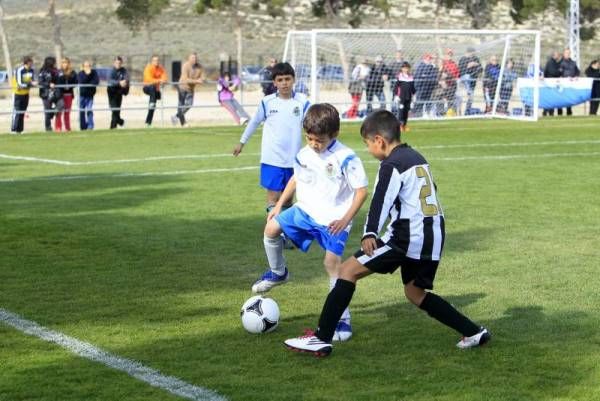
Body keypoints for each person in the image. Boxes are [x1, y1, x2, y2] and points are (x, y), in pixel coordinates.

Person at [284, 110, 491, 357]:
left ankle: (321, 337)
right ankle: (473, 332)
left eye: (368, 144)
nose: (369, 150)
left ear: (379, 141)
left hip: (407, 237)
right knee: (415, 293)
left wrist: (370, 232)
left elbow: (380, 200)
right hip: (432, 236)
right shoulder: (416, 157)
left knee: (346, 271)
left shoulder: (391, 164)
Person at [253, 103, 368, 342]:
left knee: (332, 264)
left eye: (319, 140)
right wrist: (278, 206)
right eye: (310, 138)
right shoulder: (304, 153)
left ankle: (342, 319)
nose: (314, 144)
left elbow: (361, 191)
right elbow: (296, 178)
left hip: (334, 219)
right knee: (271, 228)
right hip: (305, 210)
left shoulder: (346, 157)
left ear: (334, 134)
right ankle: (278, 272)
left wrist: (346, 219)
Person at [232, 62, 310, 218]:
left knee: (287, 200)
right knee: (273, 199)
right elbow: (254, 122)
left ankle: (285, 235)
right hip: (272, 159)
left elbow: (312, 126)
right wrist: (242, 142)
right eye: (280, 80)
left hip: (294, 160)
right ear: (274, 83)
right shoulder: (267, 102)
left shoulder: (303, 102)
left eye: (287, 79)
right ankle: (272, 236)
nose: (284, 83)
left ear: (293, 80)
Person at [172, 52, 204, 127]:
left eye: (195, 58)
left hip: (191, 89)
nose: (194, 59)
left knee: (189, 104)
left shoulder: (199, 67)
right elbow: (185, 79)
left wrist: (202, 79)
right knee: (181, 105)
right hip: (182, 88)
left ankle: (176, 117)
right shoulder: (185, 66)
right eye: (192, 58)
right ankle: (183, 123)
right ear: (189, 59)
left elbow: (202, 76)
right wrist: (197, 81)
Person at [10, 56, 36, 134]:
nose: (32, 64)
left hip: (26, 93)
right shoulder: (20, 70)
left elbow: (32, 80)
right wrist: (30, 84)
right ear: (27, 62)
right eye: (31, 62)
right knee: (17, 111)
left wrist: (32, 83)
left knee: (22, 112)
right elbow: (20, 83)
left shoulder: (31, 70)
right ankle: (14, 129)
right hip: (18, 93)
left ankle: (20, 130)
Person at [142, 55, 167, 127]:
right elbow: (149, 79)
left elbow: (164, 77)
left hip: (155, 90)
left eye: (157, 60)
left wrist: (163, 81)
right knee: (152, 87)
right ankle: (152, 103)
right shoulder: (148, 68)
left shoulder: (161, 68)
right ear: (152, 61)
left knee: (152, 107)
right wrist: (159, 80)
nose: (156, 62)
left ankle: (148, 123)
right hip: (147, 88)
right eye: (155, 60)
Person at [55, 57, 77, 132]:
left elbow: (76, 82)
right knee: (59, 112)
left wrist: (70, 84)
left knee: (67, 112)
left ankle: (67, 128)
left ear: (68, 63)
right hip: (60, 95)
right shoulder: (58, 72)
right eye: (63, 62)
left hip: (69, 94)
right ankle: (58, 127)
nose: (64, 64)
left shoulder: (72, 72)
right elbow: (55, 81)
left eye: (66, 62)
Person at [392, 61, 416, 132]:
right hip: (401, 97)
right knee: (401, 111)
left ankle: (405, 125)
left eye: (407, 68)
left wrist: (414, 95)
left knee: (406, 111)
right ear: (402, 69)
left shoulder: (411, 77)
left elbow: (412, 88)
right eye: (404, 68)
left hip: (409, 97)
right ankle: (400, 125)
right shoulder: (400, 76)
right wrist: (396, 95)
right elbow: (396, 86)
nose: (406, 69)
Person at [107, 56, 129, 129]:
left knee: (117, 110)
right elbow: (110, 80)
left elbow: (127, 78)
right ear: (114, 63)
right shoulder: (111, 71)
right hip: (112, 92)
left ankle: (113, 127)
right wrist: (119, 83)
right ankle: (120, 121)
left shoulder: (123, 70)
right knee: (114, 109)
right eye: (116, 63)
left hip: (119, 92)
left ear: (121, 63)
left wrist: (125, 82)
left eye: (119, 63)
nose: (118, 64)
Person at [458, 47, 482, 115]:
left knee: (471, 97)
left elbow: (480, 68)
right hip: (465, 80)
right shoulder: (462, 59)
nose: (473, 54)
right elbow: (460, 71)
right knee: (467, 77)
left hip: (473, 80)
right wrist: (468, 66)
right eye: (472, 52)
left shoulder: (476, 59)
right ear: (468, 52)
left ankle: (467, 111)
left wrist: (476, 64)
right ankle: (461, 111)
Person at [37, 56, 59, 132]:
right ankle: (48, 128)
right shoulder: (42, 71)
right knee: (47, 111)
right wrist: (48, 84)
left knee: (60, 106)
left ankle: (51, 113)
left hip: (55, 93)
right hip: (45, 94)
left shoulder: (56, 70)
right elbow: (40, 82)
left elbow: (58, 80)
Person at [77, 60, 99, 130]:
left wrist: (89, 79)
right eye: (86, 66)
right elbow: (81, 81)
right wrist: (87, 75)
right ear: (83, 67)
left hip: (90, 95)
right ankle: (83, 126)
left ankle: (90, 126)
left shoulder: (94, 72)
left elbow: (96, 81)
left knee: (89, 110)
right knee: (81, 111)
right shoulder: (80, 73)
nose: (88, 67)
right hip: (82, 95)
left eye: (89, 66)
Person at [439, 48, 460, 116]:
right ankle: (441, 113)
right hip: (444, 84)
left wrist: (454, 77)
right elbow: (440, 74)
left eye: (451, 54)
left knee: (450, 100)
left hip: (452, 84)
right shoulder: (442, 63)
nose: (449, 55)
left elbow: (457, 74)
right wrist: (442, 80)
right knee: (441, 99)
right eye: (448, 54)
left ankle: (449, 113)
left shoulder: (454, 64)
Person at [559, 48, 580, 116]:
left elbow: (577, 71)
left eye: (569, 53)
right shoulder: (560, 62)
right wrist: (563, 77)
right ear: (564, 54)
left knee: (568, 97)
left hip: (570, 84)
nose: (568, 54)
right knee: (561, 98)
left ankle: (569, 112)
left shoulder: (573, 62)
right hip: (562, 84)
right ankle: (560, 113)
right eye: (566, 53)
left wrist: (576, 76)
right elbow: (559, 72)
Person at [543, 51, 562, 116]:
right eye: (557, 55)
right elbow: (553, 72)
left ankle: (549, 112)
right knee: (549, 98)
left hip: (550, 84)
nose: (558, 56)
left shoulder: (553, 62)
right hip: (550, 84)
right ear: (554, 55)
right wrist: (559, 71)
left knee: (550, 98)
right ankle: (547, 112)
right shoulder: (551, 62)